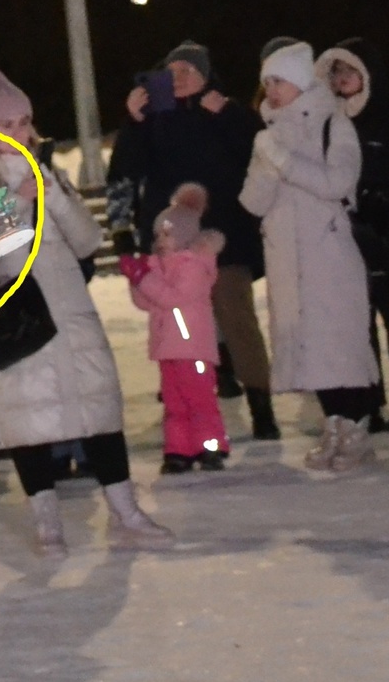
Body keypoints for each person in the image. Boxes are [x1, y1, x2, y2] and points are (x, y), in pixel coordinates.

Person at [0, 69, 168, 551]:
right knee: (28, 419)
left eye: (25, 121)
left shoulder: (50, 172)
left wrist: (53, 195)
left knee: (97, 409)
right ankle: (47, 523)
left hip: (70, 312)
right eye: (8, 124)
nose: (20, 132)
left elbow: (87, 240)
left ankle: (126, 511)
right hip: (16, 318)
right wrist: (16, 203)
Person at [107, 40, 277, 439]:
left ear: (205, 75)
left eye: (189, 71)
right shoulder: (152, 120)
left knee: (237, 320)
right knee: (178, 327)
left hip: (224, 240)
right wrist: (133, 121)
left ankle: (261, 405)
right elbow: (125, 171)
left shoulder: (223, 110)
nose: (180, 78)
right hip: (170, 246)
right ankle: (186, 402)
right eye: (173, 71)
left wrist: (231, 115)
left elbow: (259, 151)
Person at [242, 41, 379, 472]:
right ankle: (333, 424)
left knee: (339, 346)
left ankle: (356, 429)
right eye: (267, 83)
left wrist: (282, 161)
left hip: (328, 254)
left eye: (278, 81)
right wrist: (265, 168)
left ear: (300, 82)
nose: (271, 91)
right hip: (286, 260)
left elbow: (336, 183)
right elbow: (252, 203)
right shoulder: (268, 133)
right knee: (310, 352)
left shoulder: (333, 123)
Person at [321, 39, 389, 434]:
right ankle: (373, 402)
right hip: (352, 232)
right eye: (336, 73)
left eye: (349, 71)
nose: (343, 79)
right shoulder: (330, 119)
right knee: (358, 323)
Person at [124, 183, 230, 472]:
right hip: (167, 347)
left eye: (167, 234)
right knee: (174, 402)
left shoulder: (194, 265)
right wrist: (136, 278)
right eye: (158, 234)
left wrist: (144, 277)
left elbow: (173, 298)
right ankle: (178, 449)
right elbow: (147, 302)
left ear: (183, 235)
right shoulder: (161, 264)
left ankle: (211, 447)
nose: (160, 240)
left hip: (192, 347)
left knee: (199, 399)